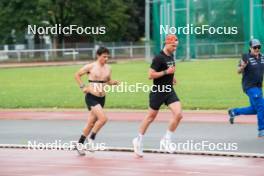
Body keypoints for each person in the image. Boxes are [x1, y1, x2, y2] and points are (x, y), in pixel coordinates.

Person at [132, 34, 183, 157]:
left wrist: (172, 77)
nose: (175, 48)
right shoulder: (158, 57)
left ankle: (166, 139)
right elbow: (150, 75)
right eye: (173, 45)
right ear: (167, 43)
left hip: (169, 90)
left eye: (176, 46)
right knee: (150, 117)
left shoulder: (171, 55)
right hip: (158, 91)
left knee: (178, 114)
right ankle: (138, 140)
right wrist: (166, 72)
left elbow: (169, 70)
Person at [74, 46, 119, 155]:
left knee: (90, 124)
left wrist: (113, 83)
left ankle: (79, 144)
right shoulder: (91, 66)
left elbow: (107, 81)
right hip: (91, 97)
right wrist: (82, 87)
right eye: (104, 57)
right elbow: (77, 75)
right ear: (98, 56)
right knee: (103, 119)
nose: (106, 59)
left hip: (102, 98)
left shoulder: (108, 68)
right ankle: (91, 140)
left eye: (107, 57)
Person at [228, 39, 264, 138]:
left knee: (255, 109)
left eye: (258, 47)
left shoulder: (262, 57)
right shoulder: (245, 57)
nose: (257, 49)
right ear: (250, 48)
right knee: (262, 107)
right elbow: (238, 71)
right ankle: (261, 130)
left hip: (258, 87)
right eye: (255, 47)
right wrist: (242, 67)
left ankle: (234, 112)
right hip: (249, 86)